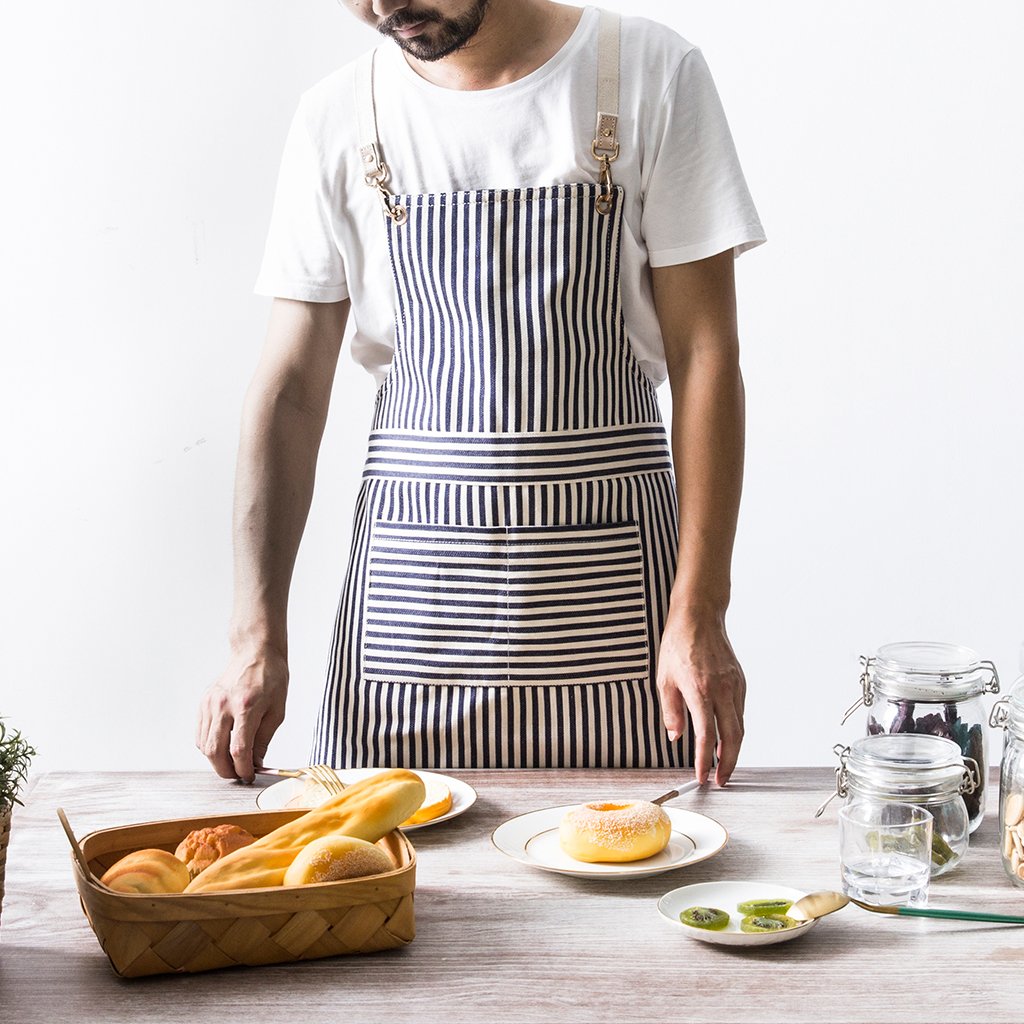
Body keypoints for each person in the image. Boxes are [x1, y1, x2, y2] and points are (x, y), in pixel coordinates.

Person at [196, 0, 764, 788]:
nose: (383, 5)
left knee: (628, 879)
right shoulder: (337, 116)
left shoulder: (648, 74)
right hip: (409, 629)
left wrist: (702, 611)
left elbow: (705, 356)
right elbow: (290, 388)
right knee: (387, 888)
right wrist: (253, 635)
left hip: (613, 628)